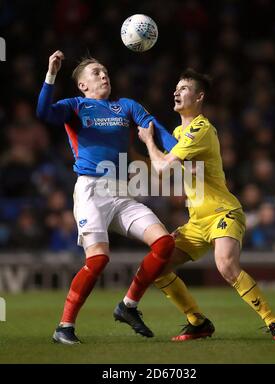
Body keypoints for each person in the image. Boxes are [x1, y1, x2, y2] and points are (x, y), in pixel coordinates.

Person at [136, 68, 275, 342]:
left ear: (199, 97)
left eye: (183, 88)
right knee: (155, 269)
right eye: (175, 87)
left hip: (224, 211)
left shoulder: (200, 128)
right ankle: (198, 322)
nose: (176, 92)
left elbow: (161, 168)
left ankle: (274, 323)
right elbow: (172, 170)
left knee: (225, 264)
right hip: (197, 222)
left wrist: (149, 141)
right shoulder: (178, 131)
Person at [37, 50, 177, 344]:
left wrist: (178, 149)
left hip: (121, 192)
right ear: (83, 85)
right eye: (96, 72)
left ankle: (128, 306)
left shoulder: (126, 106)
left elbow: (154, 129)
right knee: (99, 260)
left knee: (164, 243)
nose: (104, 75)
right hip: (91, 190)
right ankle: (64, 326)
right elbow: (43, 113)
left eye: (105, 71)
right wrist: (51, 74)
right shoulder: (75, 105)